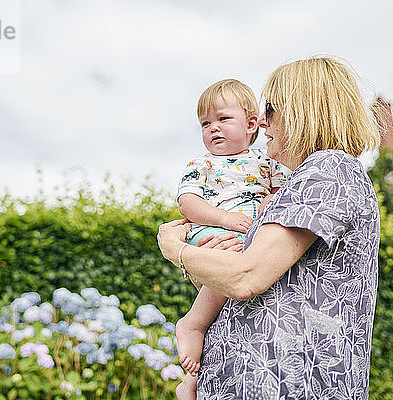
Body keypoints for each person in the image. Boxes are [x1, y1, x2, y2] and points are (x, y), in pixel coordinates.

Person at [158, 57, 381, 399]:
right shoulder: (297, 182)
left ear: (306, 111)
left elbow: (246, 276)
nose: (261, 122)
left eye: (271, 109)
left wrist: (176, 249)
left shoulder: (329, 168)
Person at [175, 79, 289, 399]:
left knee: (235, 311)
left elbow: (282, 195)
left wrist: (266, 205)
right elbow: (188, 203)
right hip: (216, 232)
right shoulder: (202, 164)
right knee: (234, 269)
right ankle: (192, 324)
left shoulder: (269, 161)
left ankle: (201, 376)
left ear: (252, 123)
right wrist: (224, 219)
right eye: (205, 123)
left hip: (251, 237)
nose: (213, 128)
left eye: (223, 119)